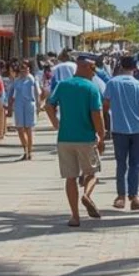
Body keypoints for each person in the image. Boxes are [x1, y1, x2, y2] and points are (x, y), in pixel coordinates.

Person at [44, 54, 106, 227]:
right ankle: (86, 195)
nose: (94, 72)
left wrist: (56, 123)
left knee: (70, 178)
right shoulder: (91, 88)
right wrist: (101, 136)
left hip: (65, 138)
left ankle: (75, 216)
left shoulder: (63, 85)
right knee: (92, 173)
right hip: (86, 138)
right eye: (93, 68)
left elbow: (48, 105)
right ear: (84, 67)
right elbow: (97, 114)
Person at [103, 56, 139, 210]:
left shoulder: (112, 83)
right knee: (136, 164)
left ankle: (121, 196)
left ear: (121, 66)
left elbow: (105, 104)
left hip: (119, 129)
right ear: (135, 68)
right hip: (137, 129)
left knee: (121, 163)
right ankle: (134, 196)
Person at [5, 60, 40, 161]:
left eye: (26, 68)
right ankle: (25, 149)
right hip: (19, 105)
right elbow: (10, 94)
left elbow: (37, 93)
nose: (24, 70)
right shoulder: (17, 80)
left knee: (28, 129)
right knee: (20, 128)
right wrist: (9, 106)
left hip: (29, 105)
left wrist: (38, 106)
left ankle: (29, 152)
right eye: (22, 68)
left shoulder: (32, 79)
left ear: (29, 69)